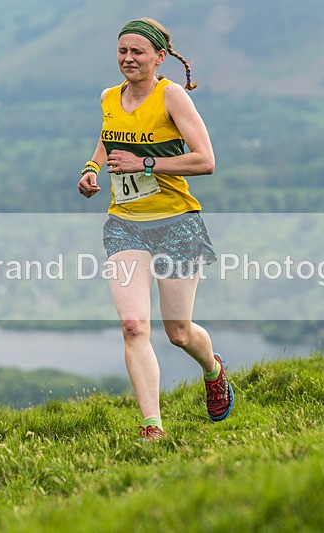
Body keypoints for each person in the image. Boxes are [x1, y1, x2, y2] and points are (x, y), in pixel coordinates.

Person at [77, 18, 234, 441]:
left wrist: (145, 163)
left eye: (138, 52)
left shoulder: (172, 97)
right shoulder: (110, 97)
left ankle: (213, 370)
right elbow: (108, 141)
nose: (128, 59)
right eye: (122, 51)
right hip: (125, 224)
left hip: (177, 224)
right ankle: (153, 426)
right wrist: (92, 169)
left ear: (159, 57)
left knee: (178, 332)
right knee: (133, 325)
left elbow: (205, 160)